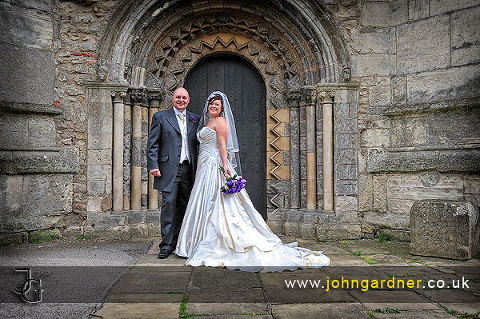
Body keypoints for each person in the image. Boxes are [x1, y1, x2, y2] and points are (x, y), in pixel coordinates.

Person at [175, 91, 329, 272]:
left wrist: (225, 167)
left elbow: (223, 145)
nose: (213, 106)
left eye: (217, 105)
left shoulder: (221, 122)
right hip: (203, 165)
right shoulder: (207, 121)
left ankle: (216, 242)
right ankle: (195, 241)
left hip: (214, 164)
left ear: (222, 108)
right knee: (202, 200)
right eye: (212, 104)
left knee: (216, 202)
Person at [147, 87, 199, 259]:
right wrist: (153, 165)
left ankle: (181, 242)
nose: (181, 100)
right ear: (173, 98)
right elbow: (152, 144)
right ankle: (166, 245)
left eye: (184, 97)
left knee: (185, 206)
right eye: (178, 97)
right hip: (168, 168)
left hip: (188, 169)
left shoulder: (195, 119)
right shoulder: (161, 117)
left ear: (188, 99)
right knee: (169, 205)